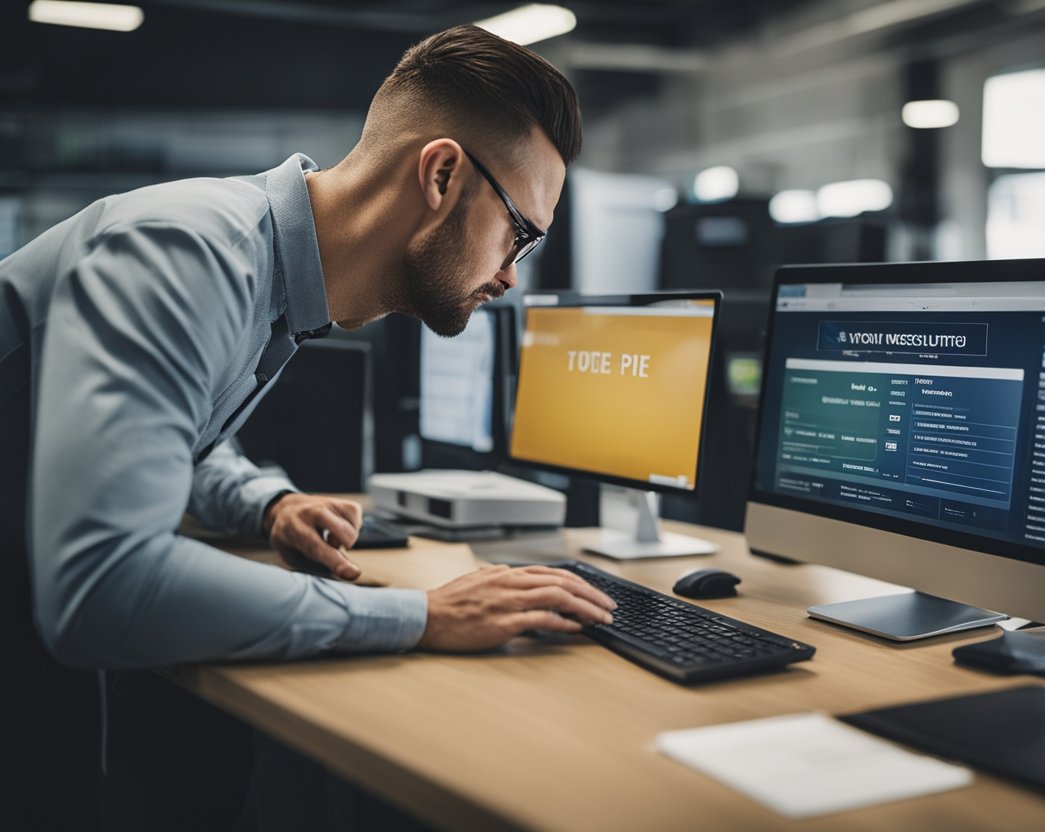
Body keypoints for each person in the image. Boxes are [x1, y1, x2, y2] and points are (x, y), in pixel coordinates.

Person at [0, 25, 615, 828]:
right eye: (520, 234)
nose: (507, 275)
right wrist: (423, 616)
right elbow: (103, 588)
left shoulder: (275, 285)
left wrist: (264, 504)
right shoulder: (189, 254)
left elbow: (165, 437)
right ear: (440, 173)